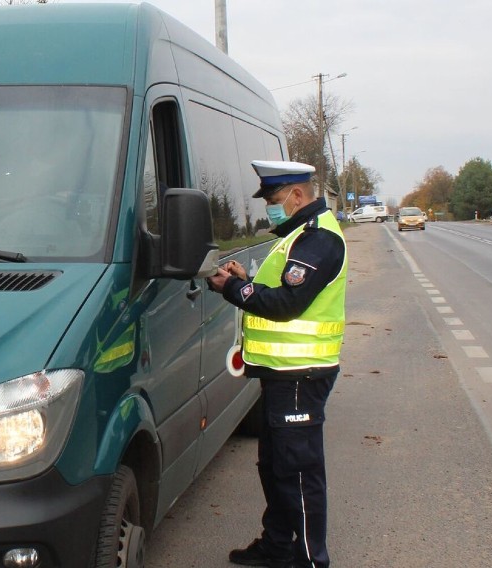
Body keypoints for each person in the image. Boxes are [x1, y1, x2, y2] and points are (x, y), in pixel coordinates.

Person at [207, 160, 348, 568]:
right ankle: (277, 546)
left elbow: (287, 304)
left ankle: (308, 560)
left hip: (301, 375)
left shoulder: (319, 240)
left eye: (272, 200)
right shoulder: (298, 236)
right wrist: (245, 279)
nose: (269, 207)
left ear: (297, 196)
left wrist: (232, 287)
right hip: (281, 375)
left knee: (299, 475)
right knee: (274, 467)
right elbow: (282, 289)